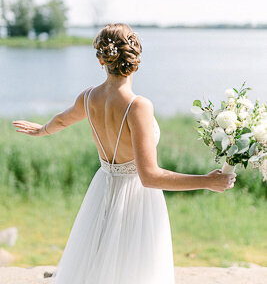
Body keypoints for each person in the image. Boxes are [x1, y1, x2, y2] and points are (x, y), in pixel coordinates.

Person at [12, 23, 236, 284]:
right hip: (137, 200)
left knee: (98, 266)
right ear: (136, 59)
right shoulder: (137, 105)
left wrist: (41, 130)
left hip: (102, 190)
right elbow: (149, 177)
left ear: (101, 60)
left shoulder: (88, 97)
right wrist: (208, 182)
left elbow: (61, 121)